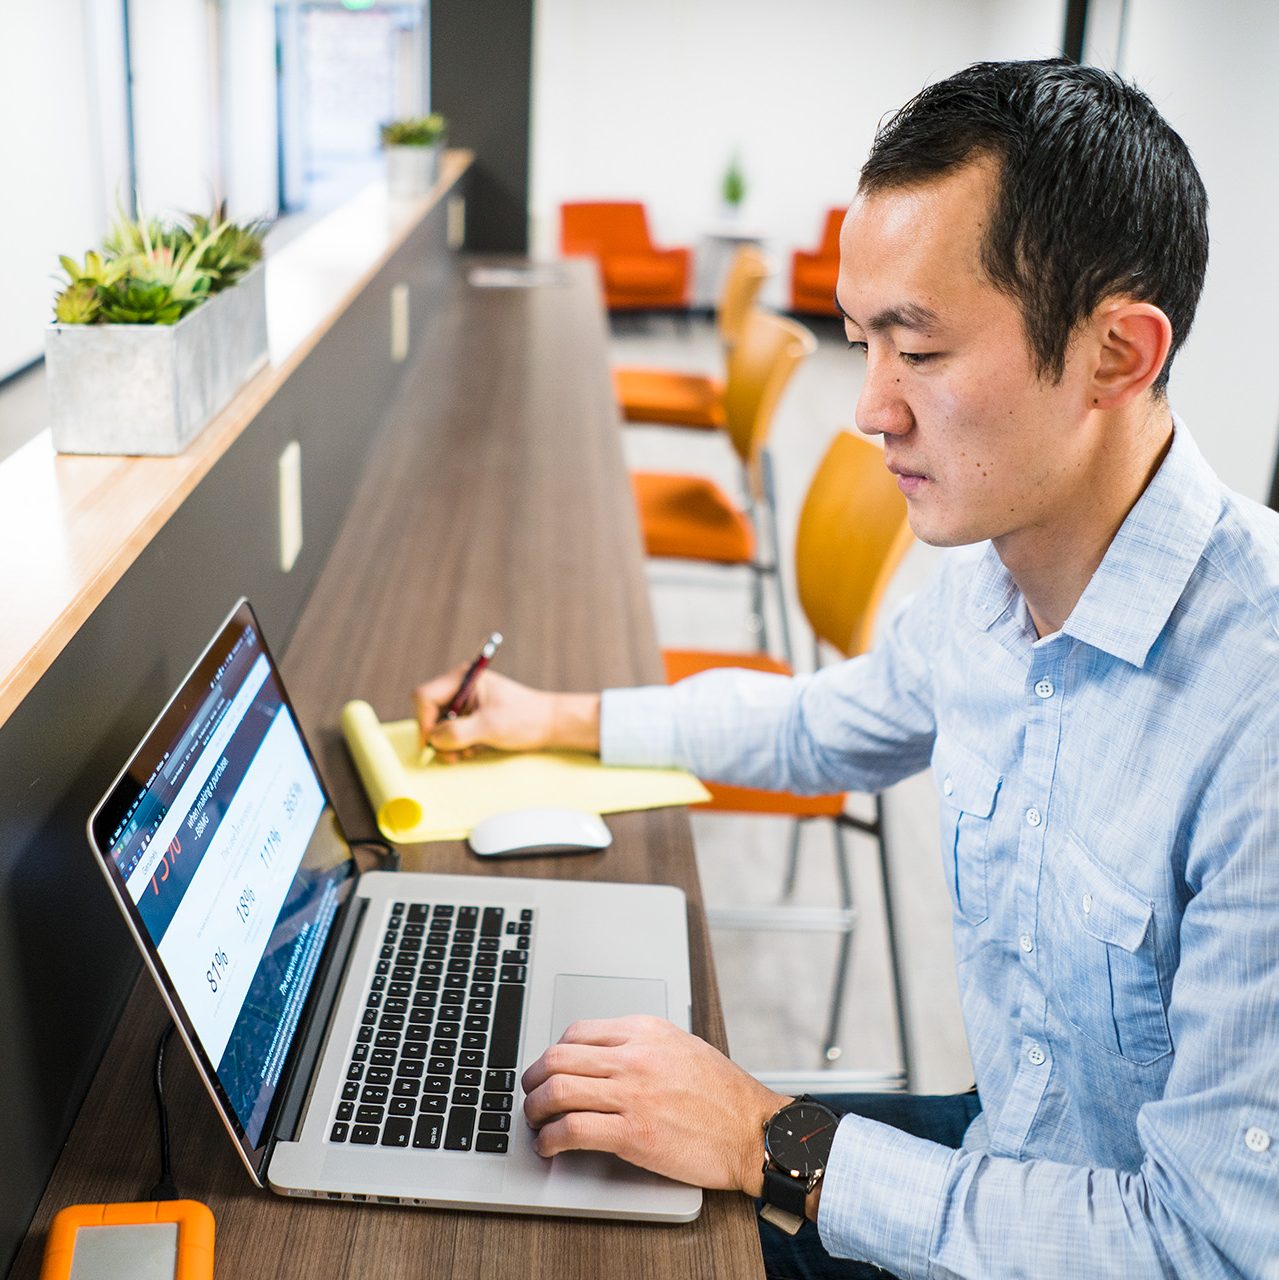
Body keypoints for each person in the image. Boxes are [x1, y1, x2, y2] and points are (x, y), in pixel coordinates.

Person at [414, 59, 1279, 1280]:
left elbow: (1209, 1251)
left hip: (1105, 1239)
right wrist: (546, 715)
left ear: (1115, 355)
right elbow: (817, 726)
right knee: (563, 1181)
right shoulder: (994, 578)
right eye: (860, 338)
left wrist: (772, 1135)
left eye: (915, 349)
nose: (868, 407)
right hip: (1015, 1161)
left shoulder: (1257, 710)